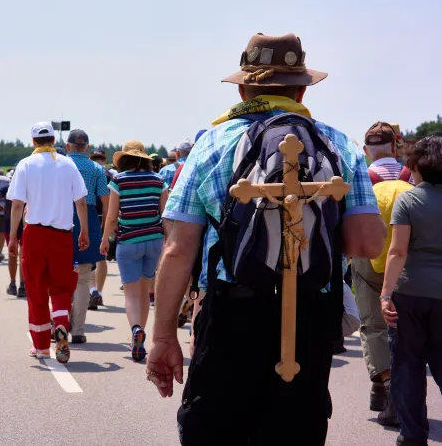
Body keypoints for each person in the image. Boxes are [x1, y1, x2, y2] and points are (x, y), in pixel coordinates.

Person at [148, 33, 386, 446]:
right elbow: (367, 243)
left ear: (243, 88)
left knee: (215, 431)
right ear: (301, 88)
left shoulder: (213, 143)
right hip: (310, 317)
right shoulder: (340, 144)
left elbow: (178, 247)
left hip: (231, 314)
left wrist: (164, 337)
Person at [7, 122, 89, 364]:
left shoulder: (25, 165)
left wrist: (13, 236)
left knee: (36, 289)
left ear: (33, 142)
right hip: (62, 235)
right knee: (62, 287)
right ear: (54, 140)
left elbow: (17, 205)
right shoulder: (67, 164)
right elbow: (81, 202)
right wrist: (84, 231)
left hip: (34, 235)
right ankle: (61, 324)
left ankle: (42, 347)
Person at [380, 136, 442, 446]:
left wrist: (385, 294)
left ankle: (413, 436)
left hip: (410, 294)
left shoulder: (408, 200)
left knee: (408, 365)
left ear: (416, 167)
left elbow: (397, 251)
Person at [352, 121, 414, 426]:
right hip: (404, 259)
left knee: (374, 324)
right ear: (395, 146)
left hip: (367, 256)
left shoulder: (361, 177)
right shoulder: (411, 178)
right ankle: (384, 388)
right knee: (401, 326)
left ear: (366, 150)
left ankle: (386, 387)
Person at [100, 140, 168, 362]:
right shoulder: (158, 180)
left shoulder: (119, 180)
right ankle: (140, 335)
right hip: (154, 240)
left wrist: (104, 240)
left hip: (128, 240)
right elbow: (165, 214)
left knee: (130, 293)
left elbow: (111, 217)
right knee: (145, 291)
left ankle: (135, 330)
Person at [66, 130, 110, 344]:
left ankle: (59, 322)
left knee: (59, 274)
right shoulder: (96, 168)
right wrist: (103, 228)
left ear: (68, 147)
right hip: (89, 216)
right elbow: (106, 199)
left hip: (61, 216)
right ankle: (78, 329)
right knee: (83, 277)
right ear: (86, 148)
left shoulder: (61, 164)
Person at [0, 184, 26, 297]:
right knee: (23, 255)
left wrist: (1, 208)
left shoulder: (10, 186)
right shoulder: (31, 185)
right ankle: (23, 286)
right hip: (26, 222)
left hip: (9, 222)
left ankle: (12, 284)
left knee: (12, 254)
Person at [89, 148, 113, 308]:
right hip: (102, 217)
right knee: (100, 257)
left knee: (90, 257)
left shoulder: (89, 171)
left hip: (91, 215)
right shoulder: (109, 175)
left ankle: (93, 290)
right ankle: (98, 291)